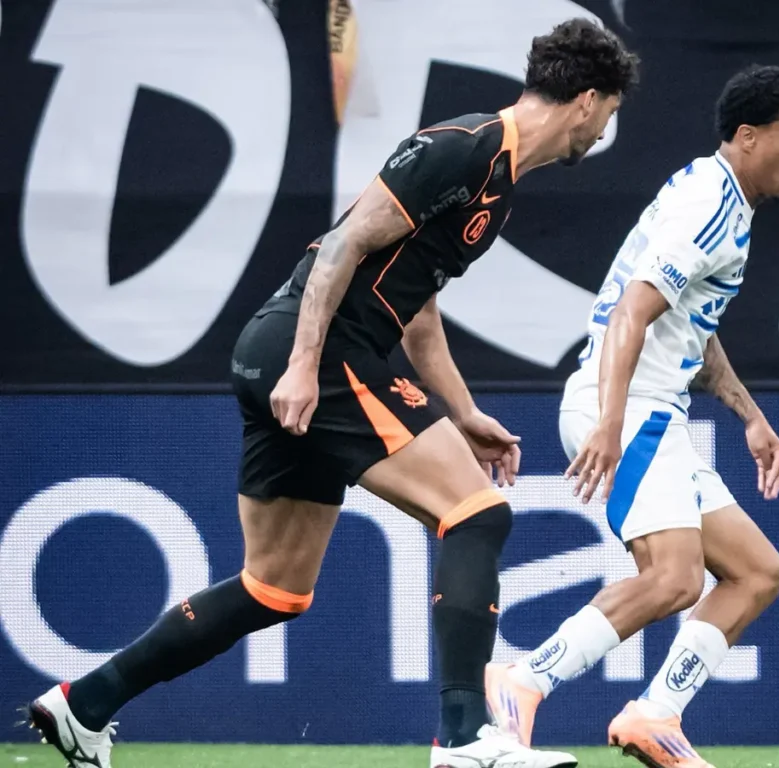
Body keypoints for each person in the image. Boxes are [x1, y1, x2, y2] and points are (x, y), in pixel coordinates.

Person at [27, 18, 640, 768]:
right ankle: (465, 735)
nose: (605, 131)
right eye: (609, 114)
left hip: (300, 352)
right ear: (586, 100)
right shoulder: (463, 147)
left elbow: (416, 308)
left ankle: (84, 703)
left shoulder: (499, 183)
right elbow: (345, 244)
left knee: (274, 587)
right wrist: (304, 363)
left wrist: (465, 410)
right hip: (313, 351)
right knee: (477, 514)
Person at [484, 64, 779, 768]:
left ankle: (654, 714)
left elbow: (691, 326)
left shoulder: (719, 197)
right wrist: (609, 420)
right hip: (630, 405)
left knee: (757, 571)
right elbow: (636, 308)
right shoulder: (711, 205)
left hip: (647, 405)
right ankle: (522, 678)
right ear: (749, 136)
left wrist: (747, 414)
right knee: (674, 578)